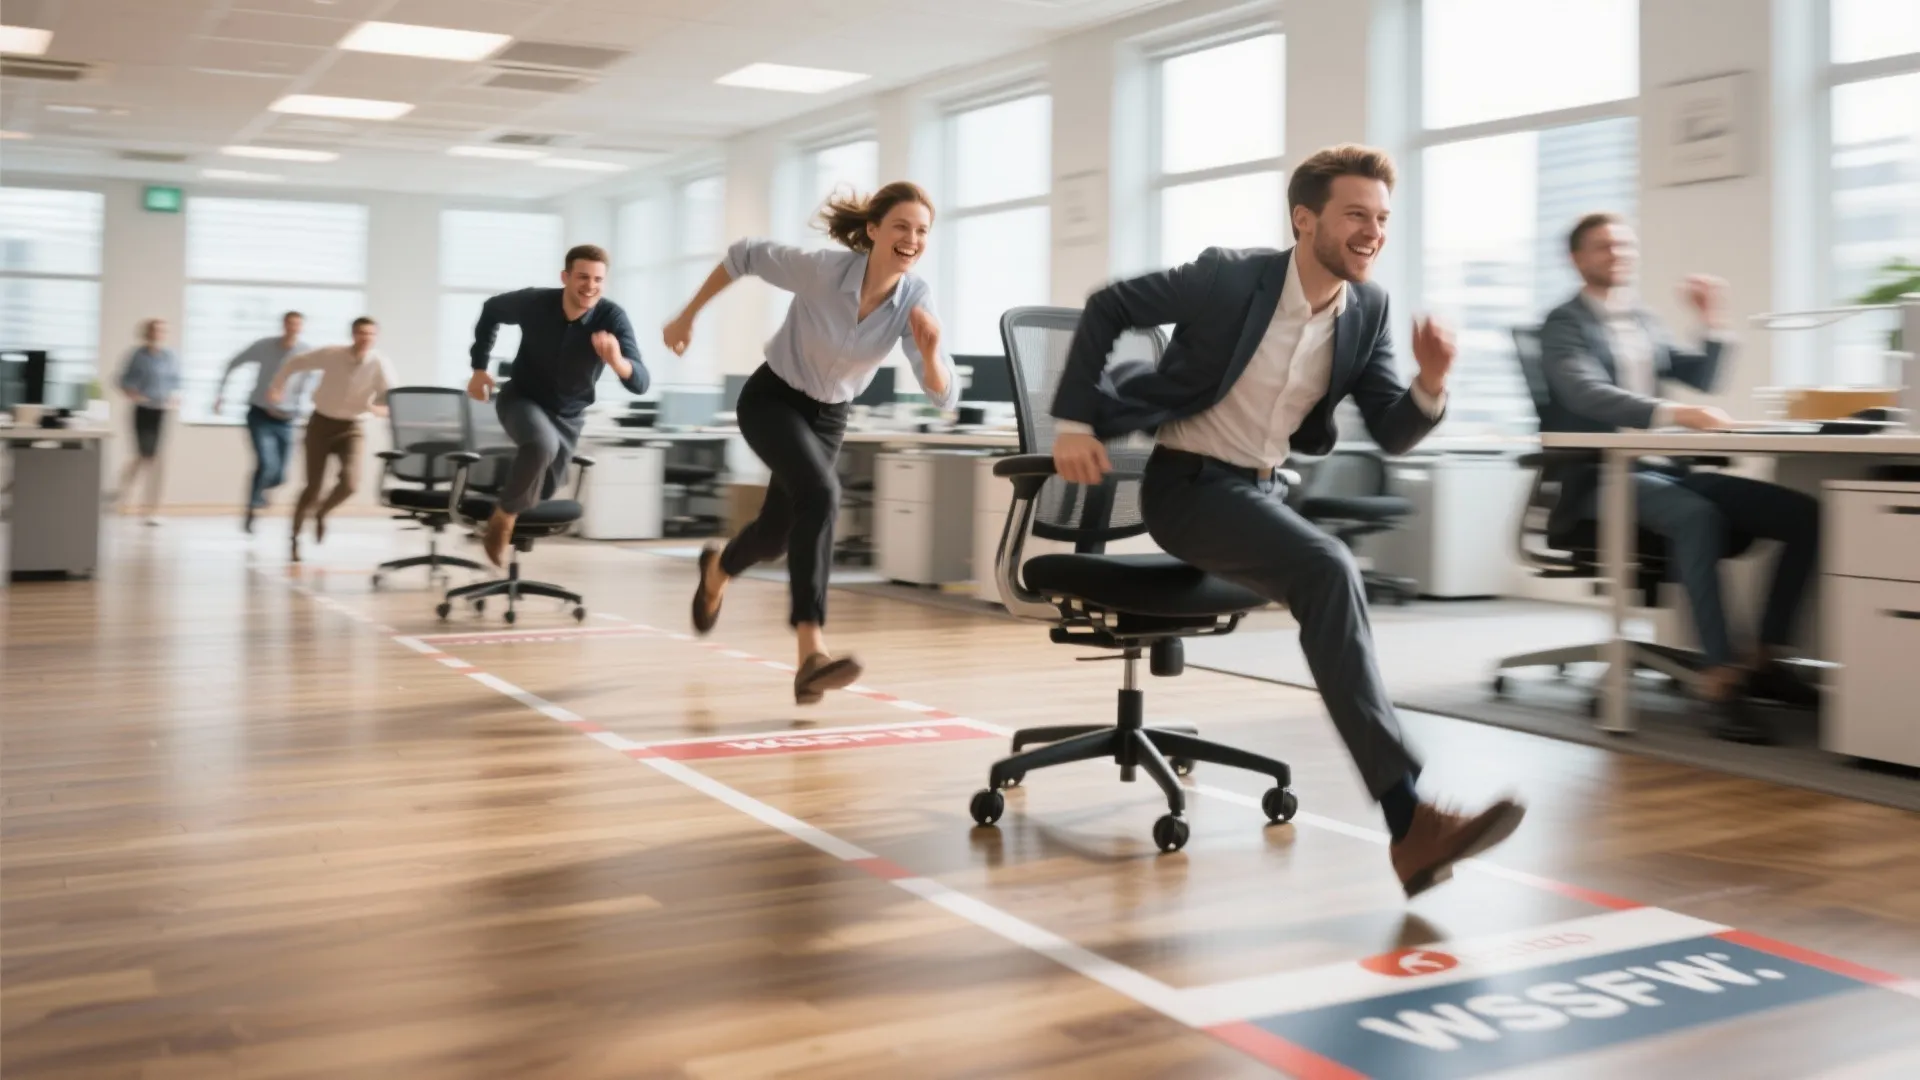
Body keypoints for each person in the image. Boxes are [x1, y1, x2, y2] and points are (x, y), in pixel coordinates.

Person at [1049, 144, 1521, 899]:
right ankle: (1410, 820)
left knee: (1325, 575)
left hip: (1263, 493)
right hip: (1187, 488)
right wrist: (1074, 421)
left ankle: (1410, 828)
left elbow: (1392, 430)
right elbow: (1110, 306)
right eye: (1356, 215)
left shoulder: (1367, 310)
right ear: (1305, 220)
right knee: (1328, 567)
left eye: (1382, 218)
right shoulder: (1228, 277)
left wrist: (1431, 384)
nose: (1373, 232)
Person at [666, 181, 956, 705]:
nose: (912, 239)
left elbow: (942, 395)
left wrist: (932, 354)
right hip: (772, 400)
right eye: (901, 226)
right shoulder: (824, 270)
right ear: (873, 230)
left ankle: (719, 568)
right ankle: (810, 654)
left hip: (829, 418)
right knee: (821, 495)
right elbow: (744, 255)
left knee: (776, 536)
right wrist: (688, 316)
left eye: (922, 231)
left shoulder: (915, 299)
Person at [1538, 212, 1820, 743]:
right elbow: (1584, 392)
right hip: (1598, 476)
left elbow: (1703, 379)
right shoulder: (1563, 324)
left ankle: (1764, 658)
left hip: (1663, 469)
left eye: (1625, 244)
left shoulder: (1642, 319)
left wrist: (1712, 320)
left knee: (1804, 515)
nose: (1618, 253)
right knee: (1696, 516)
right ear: (1576, 259)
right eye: (1603, 246)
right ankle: (1719, 680)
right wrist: (1675, 414)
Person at [465, 244, 647, 568]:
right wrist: (479, 368)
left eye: (598, 279)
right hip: (521, 399)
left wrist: (617, 362)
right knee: (541, 445)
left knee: (545, 489)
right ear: (565, 277)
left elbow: (641, 382)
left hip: (567, 416)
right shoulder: (534, 302)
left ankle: (506, 508)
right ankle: (502, 518)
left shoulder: (612, 318)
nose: (590, 286)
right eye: (582, 277)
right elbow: (491, 310)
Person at [268, 317, 395, 562]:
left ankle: (322, 512)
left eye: (370, 333)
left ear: (376, 337)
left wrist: (375, 409)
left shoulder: (379, 363)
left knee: (350, 484)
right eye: (361, 332)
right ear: (353, 334)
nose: (365, 338)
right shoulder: (332, 354)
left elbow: (389, 400)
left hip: (352, 428)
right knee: (312, 487)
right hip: (321, 424)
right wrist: (277, 386)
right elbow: (295, 362)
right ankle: (294, 538)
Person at [213, 311, 316, 533]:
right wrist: (220, 395)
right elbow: (233, 363)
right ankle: (251, 508)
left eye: (297, 325)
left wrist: (304, 410)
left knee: (280, 475)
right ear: (283, 325)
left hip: (287, 419)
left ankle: (259, 493)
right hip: (259, 413)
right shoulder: (264, 346)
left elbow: (311, 384)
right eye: (289, 324)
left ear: (301, 328)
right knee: (265, 462)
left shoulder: (306, 353)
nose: (293, 328)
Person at [115, 318, 180, 525]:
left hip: (161, 411)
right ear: (147, 333)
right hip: (143, 410)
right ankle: (122, 499)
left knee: (157, 459)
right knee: (142, 457)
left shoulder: (170, 356)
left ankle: (152, 509)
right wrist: (133, 394)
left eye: (162, 330)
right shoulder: (137, 356)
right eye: (155, 330)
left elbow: (176, 382)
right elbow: (123, 380)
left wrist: (174, 397)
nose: (158, 334)